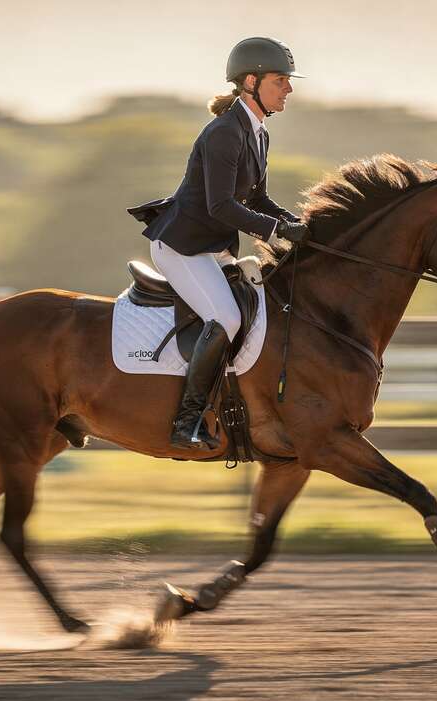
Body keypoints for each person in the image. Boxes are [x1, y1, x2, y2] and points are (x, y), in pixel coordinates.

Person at [127, 36, 311, 451]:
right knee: (226, 319)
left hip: (213, 248)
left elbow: (258, 199)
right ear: (251, 81)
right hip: (182, 247)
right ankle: (185, 422)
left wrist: (295, 222)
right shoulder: (224, 133)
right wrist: (276, 231)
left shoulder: (258, 133)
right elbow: (222, 205)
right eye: (281, 80)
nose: (289, 89)